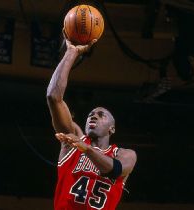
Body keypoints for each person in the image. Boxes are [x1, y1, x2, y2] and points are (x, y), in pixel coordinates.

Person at [46, 35, 137, 210]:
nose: (93, 116)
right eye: (90, 114)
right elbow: (53, 97)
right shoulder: (72, 142)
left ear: (112, 128)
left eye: (101, 115)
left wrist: (86, 149)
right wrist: (72, 52)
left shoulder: (126, 154)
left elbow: (116, 170)